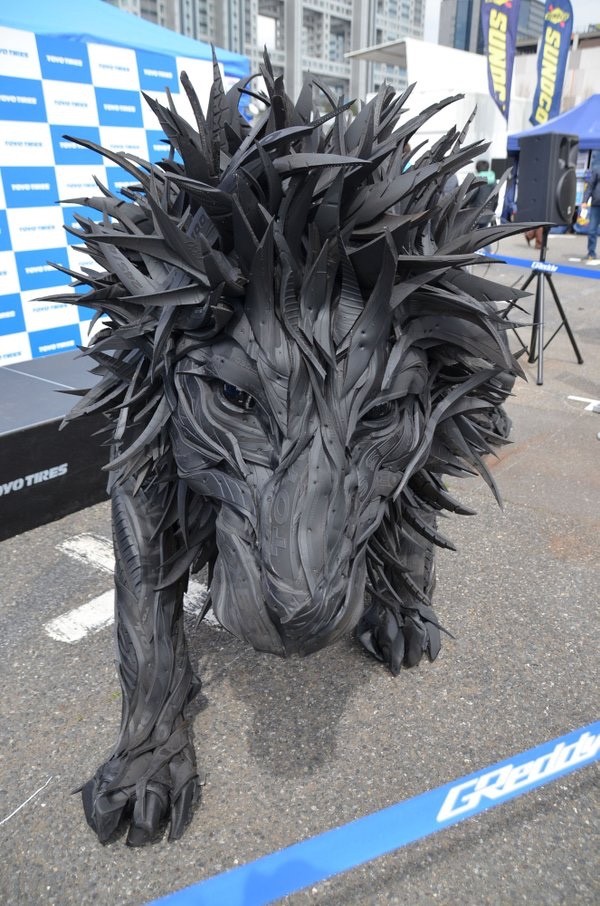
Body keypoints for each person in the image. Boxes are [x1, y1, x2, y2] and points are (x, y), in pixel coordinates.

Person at [584, 163, 600, 260]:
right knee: (592, 230)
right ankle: (591, 252)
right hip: (596, 205)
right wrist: (584, 201)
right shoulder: (597, 169)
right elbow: (590, 186)